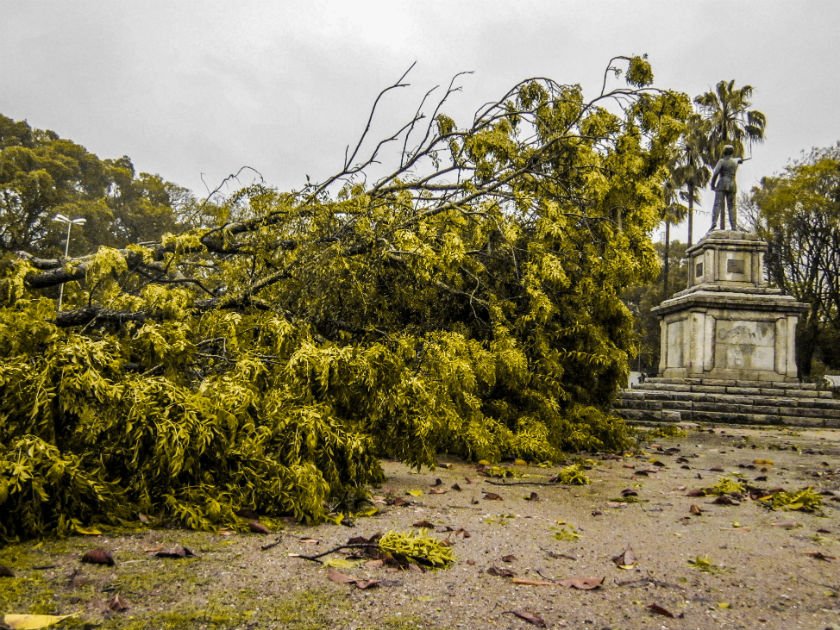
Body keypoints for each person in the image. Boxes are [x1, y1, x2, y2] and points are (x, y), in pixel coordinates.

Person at [709, 145, 744, 231]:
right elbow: (738, 160)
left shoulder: (721, 161)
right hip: (732, 184)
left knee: (717, 204)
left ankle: (714, 223)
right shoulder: (735, 162)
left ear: (724, 152)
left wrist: (712, 184)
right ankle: (733, 226)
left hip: (722, 183)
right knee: (732, 206)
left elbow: (715, 173)